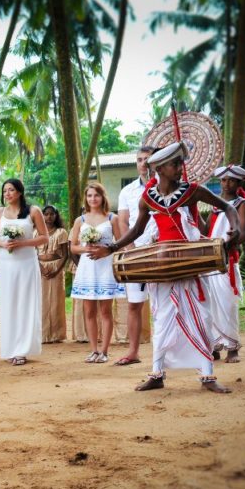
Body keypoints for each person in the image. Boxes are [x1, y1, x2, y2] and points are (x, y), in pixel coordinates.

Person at [90, 141, 241, 394]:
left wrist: (232, 228)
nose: (180, 167)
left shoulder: (192, 190)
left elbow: (227, 207)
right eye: (175, 164)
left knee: (200, 318)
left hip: (189, 262)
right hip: (163, 265)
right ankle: (157, 374)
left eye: (181, 162)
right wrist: (113, 248)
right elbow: (137, 230)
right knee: (162, 320)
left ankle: (207, 376)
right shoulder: (148, 198)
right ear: (160, 168)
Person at [0, 179, 49, 366]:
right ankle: (10, 347)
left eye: (11, 190)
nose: (7, 194)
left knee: (26, 303)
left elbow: (44, 237)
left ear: (20, 192)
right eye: (5, 190)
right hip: (7, 264)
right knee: (9, 303)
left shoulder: (33, 211)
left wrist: (22, 243)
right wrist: (3, 243)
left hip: (26, 262)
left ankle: (23, 349)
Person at [69, 182, 125, 363]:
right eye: (90, 195)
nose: (93, 199)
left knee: (106, 311)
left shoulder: (112, 218)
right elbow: (73, 247)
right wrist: (86, 249)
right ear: (86, 198)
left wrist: (105, 249)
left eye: (96, 195)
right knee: (89, 311)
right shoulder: (81, 220)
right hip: (87, 268)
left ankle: (105, 351)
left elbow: (120, 244)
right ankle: (93, 350)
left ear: (103, 197)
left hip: (105, 267)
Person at [113, 145, 157, 365]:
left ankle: (166, 352)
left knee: (164, 305)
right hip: (136, 252)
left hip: (161, 252)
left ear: (155, 161)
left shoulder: (166, 188)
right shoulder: (128, 191)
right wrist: (128, 247)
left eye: (147, 159)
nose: (143, 163)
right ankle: (133, 352)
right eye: (139, 159)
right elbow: (123, 221)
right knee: (134, 304)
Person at [203, 164, 245, 362]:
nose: (226, 184)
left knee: (227, 304)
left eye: (231, 180)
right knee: (210, 305)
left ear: (238, 183)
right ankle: (213, 346)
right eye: (223, 180)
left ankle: (232, 348)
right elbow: (206, 230)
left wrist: (231, 240)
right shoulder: (215, 204)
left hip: (228, 259)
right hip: (211, 259)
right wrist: (191, 213)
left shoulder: (241, 203)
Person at [38, 205, 69, 343]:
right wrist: (41, 268)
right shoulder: (36, 232)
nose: (49, 217)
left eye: (52, 214)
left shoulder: (61, 232)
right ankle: (42, 334)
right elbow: (32, 253)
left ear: (56, 216)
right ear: (42, 216)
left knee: (56, 301)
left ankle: (57, 334)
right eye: (46, 214)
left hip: (57, 267)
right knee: (41, 300)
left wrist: (57, 270)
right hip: (39, 268)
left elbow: (65, 254)